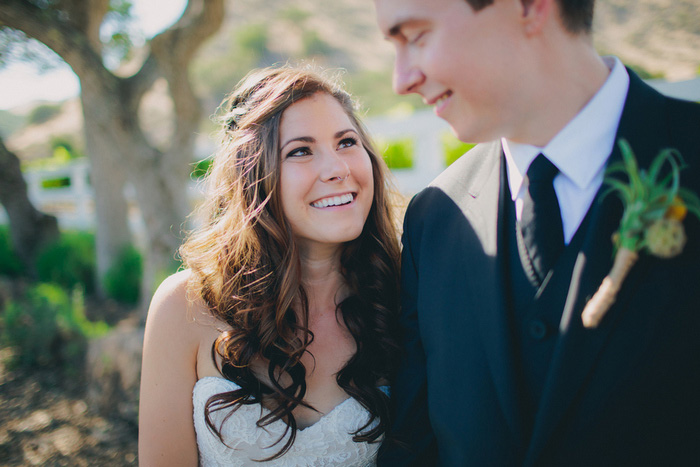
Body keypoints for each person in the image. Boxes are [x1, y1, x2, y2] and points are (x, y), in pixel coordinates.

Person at [373, 0, 700, 465]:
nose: (401, 80)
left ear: (528, 7)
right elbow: (414, 445)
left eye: (418, 37)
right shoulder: (435, 219)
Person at [138, 66, 401, 466]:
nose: (337, 169)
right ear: (253, 176)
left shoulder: (401, 294)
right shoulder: (185, 305)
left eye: (347, 142)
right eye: (300, 150)